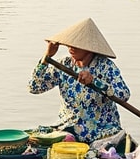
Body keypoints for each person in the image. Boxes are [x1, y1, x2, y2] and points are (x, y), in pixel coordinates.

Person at [27, 18, 130, 150]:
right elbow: (34, 87)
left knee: (101, 148)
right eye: (69, 44)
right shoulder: (64, 64)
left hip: (101, 130)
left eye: (76, 45)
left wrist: (95, 82)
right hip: (69, 127)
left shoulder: (105, 66)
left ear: (89, 48)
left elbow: (124, 94)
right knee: (41, 142)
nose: (70, 48)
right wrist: (47, 57)